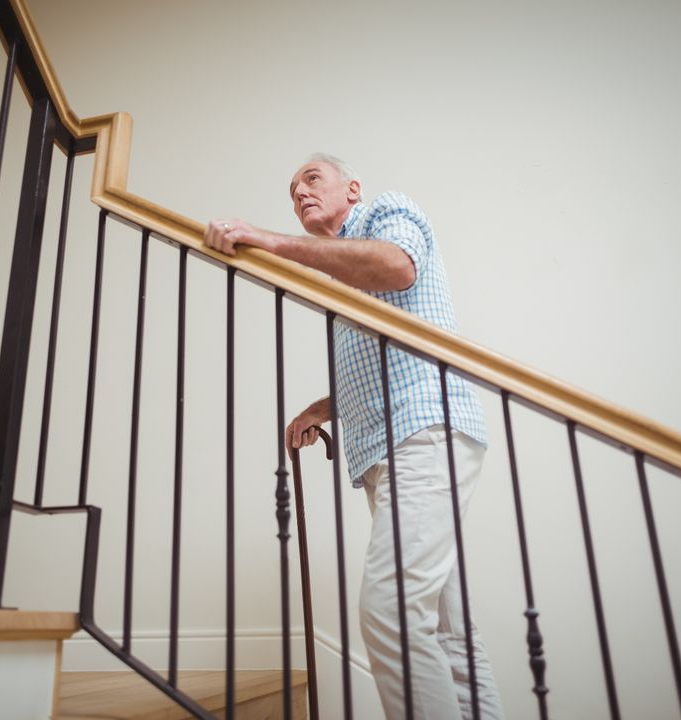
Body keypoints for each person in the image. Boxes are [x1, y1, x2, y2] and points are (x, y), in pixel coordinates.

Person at [205, 154, 504, 720]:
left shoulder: (387, 213)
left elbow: (398, 267)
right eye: (292, 191)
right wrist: (324, 407)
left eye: (312, 180)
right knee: (449, 634)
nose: (300, 194)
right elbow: (378, 362)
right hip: (392, 446)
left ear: (353, 188)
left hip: (424, 429)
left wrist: (271, 241)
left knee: (390, 611)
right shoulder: (342, 273)